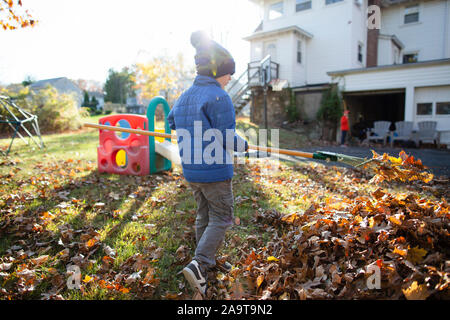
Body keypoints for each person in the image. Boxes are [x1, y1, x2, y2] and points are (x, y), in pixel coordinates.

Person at [167, 30, 248, 295]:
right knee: (223, 216)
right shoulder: (219, 96)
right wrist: (244, 145)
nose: (230, 78)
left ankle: (201, 259)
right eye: (229, 73)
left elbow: (171, 121)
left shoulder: (184, 95)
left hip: (192, 170)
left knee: (204, 214)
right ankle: (200, 263)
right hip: (214, 171)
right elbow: (226, 137)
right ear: (217, 72)